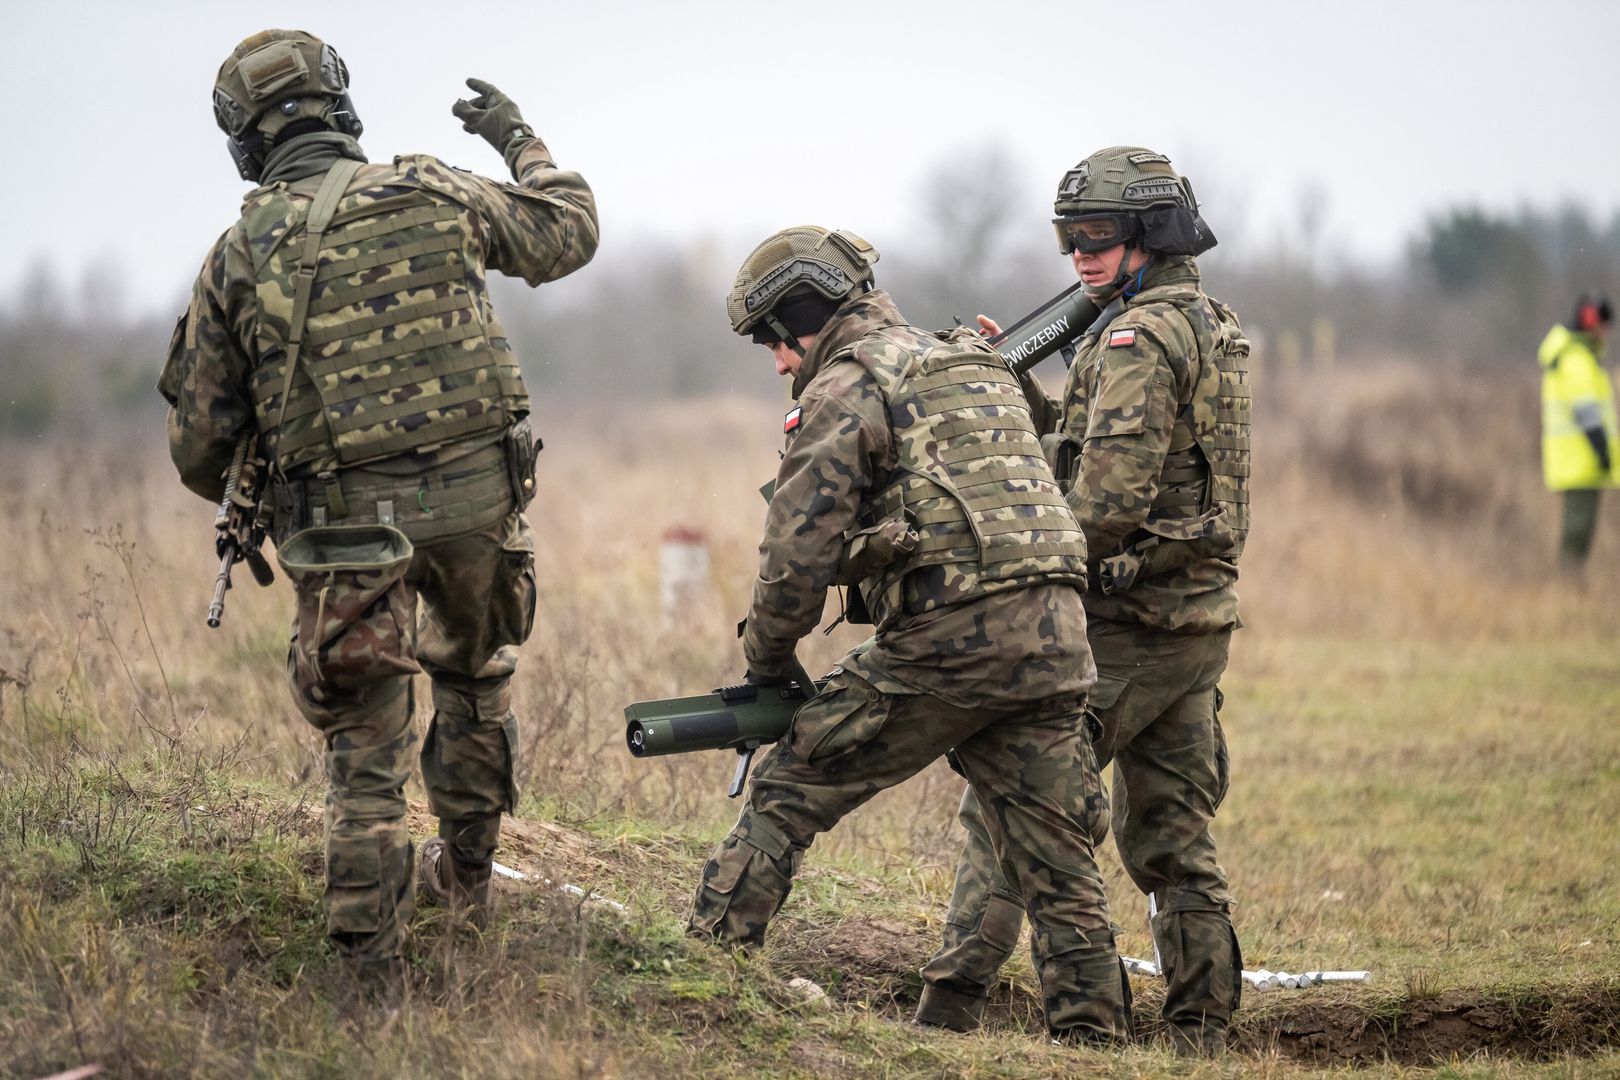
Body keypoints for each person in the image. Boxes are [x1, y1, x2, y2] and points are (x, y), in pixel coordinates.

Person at [158, 28, 598, 986]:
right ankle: (469, 881)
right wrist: (517, 136)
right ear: (340, 108)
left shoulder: (236, 256)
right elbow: (570, 230)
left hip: (343, 528)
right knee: (477, 678)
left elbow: (199, 450)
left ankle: (367, 977)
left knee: (364, 741)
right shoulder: (434, 186)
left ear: (245, 142)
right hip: (480, 506)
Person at [686, 226, 1131, 1044]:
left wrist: (768, 663)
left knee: (788, 790)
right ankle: (1094, 1043)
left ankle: (699, 991)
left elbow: (796, 555)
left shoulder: (845, 388)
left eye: (774, 344)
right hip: (1061, 640)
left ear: (800, 320)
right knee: (1058, 858)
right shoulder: (969, 362)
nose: (779, 364)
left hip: (949, 643)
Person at [914, 147, 1250, 1057]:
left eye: (1098, 236)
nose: (1080, 257)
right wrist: (1016, 385)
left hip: (1127, 628)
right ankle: (1200, 1038)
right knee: (1174, 844)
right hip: (1196, 623)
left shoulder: (1136, 338)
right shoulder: (1199, 320)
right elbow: (1110, 449)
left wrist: (1012, 567)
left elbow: (1102, 506)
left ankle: (949, 1014)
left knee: (1013, 806)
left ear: (1149, 233)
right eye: (1068, 239)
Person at [1537, 292, 1618, 569]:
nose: (1606, 332)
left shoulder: (1579, 357)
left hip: (1580, 462)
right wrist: (1602, 449)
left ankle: (1570, 580)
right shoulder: (1577, 360)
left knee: (1581, 530)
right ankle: (1567, 583)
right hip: (1579, 461)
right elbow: (1585, 411)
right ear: (1591, 322)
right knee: (1577, 531)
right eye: (1604, 325)